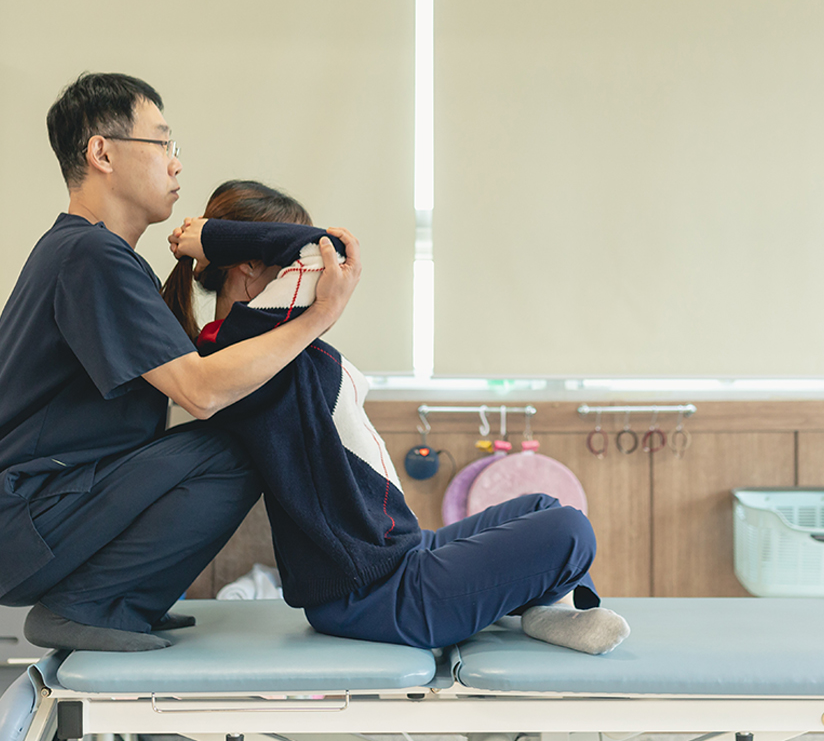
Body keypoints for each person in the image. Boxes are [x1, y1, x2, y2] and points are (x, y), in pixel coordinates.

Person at [0, 74, 361, 653]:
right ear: (102, 153)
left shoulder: (101, 258)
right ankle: (89, 605)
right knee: (241, 445)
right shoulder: (90, 255)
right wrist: (319, 314)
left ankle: (119, 601)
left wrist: (216, 242)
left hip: (28, 514)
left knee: (238, 432)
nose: (176, 163)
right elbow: (203, 391)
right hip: (17, 521)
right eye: (163, 143)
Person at [164, 181, 629, 654]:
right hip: (371, 592)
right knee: (570, 531)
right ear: (248, 265)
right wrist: (212, 239)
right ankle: (549, 605)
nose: (324, 275)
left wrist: (219, 242)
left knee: (544, 508)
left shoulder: (269, 340)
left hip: (396, 556)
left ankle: (552, 608)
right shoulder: (239, 344)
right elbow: (328, 247)